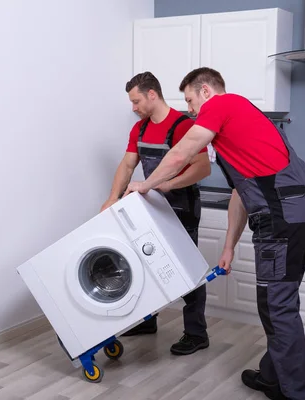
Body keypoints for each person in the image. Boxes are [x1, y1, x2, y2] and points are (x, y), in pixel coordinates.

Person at [123, 67, 305, 400]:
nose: (189, 110)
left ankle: (301, 394)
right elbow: (241, 193)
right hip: (299, 209)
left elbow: (182, 152)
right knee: (279, 300)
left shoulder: (221, 104)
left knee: (277, 306)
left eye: (189, 100)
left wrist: (146, 184)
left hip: (280, 215)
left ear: (205, 91)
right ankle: (274, 377)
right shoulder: (244, 119)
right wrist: (229, 246)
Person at [100, 71, 212, 356]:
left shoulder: (183, 125)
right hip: (151, 207)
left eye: (136, 101)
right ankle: (149, 321)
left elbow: (202, 168)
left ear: (152, 94)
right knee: (145, 262)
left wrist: (167, 184)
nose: (133, 108)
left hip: (182, 206)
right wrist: (112, 199)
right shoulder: (139, 130)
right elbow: (127, 166)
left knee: (188, 271)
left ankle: (197, 333)